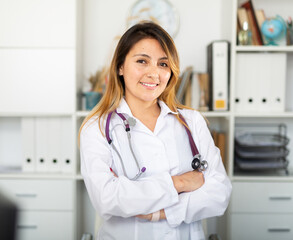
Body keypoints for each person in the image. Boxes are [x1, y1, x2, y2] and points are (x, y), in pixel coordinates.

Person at [79, 21, 232, 240]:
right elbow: (108, 198)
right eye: (142, 61)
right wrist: (179, 183)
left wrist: (161, 213)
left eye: (163, 64)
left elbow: (219, 194)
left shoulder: (192, 121)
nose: (154, 73)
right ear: (120, 67)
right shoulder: (98, 128)